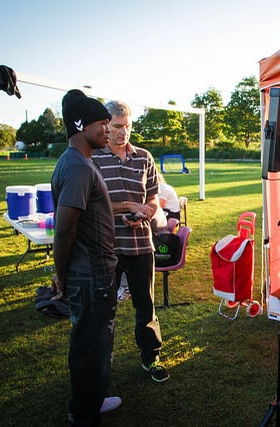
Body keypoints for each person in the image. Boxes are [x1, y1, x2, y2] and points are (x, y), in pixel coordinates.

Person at [51, 89, 121, 425]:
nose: (107, 129)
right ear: (80, 125)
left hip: (92, 272)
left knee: (93, 343)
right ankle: (83, 412)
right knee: (91, 347)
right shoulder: (78, 167)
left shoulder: (78, 162)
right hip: (91, 275)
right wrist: (61, 275)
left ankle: (92, 399)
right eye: (101, 123)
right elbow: (64, 229)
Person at [91, 100, 169, 383]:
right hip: (106, 247)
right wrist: (125, 206)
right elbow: (91, 204)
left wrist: (145, 212)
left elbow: (153, 198)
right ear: (106, 127)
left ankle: (151, 357)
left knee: (145, 307)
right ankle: (99, 366)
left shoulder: (144, 157)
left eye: (127, 126)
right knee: (103, 310)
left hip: (140, 244)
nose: (123, 132)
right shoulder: (93, 158)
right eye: (117, 126)